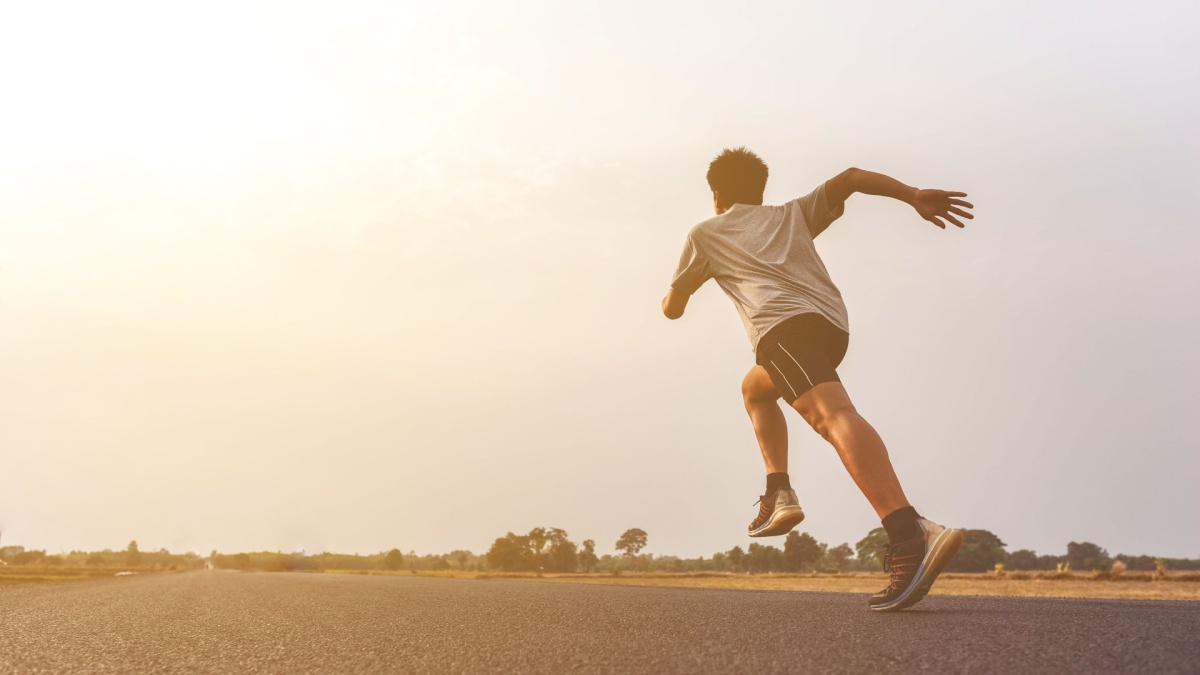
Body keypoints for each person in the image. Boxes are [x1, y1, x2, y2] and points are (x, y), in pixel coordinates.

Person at [662, 147, 973, 611]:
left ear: (717, 194)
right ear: (760, 189)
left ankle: (909, 534)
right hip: (830, 329)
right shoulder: (790, 215)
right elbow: (849, 177)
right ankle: (778, 489)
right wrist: (911, 196)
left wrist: (681, 289)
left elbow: (674, 307)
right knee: (755, 388)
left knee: (833, 416)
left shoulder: (707, 232)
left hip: (781, 331)